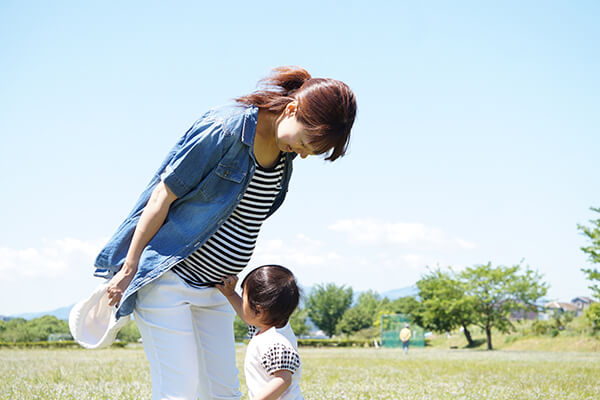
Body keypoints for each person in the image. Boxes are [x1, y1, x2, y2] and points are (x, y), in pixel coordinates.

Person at [93, 66, 356, 400]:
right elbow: (162, 196)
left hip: (217, 289)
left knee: (223, 392)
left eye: (310, 152)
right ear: (291, 110)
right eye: (304, 142)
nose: (302, 153)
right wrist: (129, 266)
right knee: (180, 389)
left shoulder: (283, 158)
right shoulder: (225, 129)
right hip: (170, 279)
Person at [217, 265, 303, 400]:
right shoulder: (269, 328)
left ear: (259, 310)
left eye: (244, 297)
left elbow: (283, 379)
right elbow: (248, 316)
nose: (242, 301)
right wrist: (231, 294)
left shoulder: (276, 342)